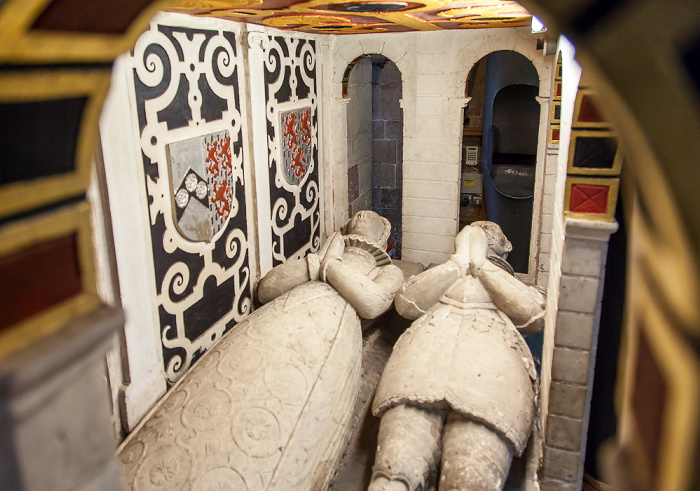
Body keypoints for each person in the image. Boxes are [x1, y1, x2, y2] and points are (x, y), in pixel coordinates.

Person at [119, 210, 404, 491]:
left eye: (372, 216)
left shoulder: (388, 271)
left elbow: (371, 302)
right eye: (359, 213)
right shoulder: (328, 253)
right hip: (281, 317)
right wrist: (318, 261)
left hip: (333, 330)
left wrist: (330, 266)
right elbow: (267, 289)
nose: (362, 214)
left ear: (383, 234)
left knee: (288, 411)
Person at [369, 221, 545, 491]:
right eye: (473, 229)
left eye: (490, 228)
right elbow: (407, 302)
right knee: (395, 469)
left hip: (489, 370)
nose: (479, 228)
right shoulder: (448, 271)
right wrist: (458, 263)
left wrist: (482, 264)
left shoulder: (516, 283)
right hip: (423, 360)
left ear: (507, 246)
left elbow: (531, 313)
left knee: (469, 475)